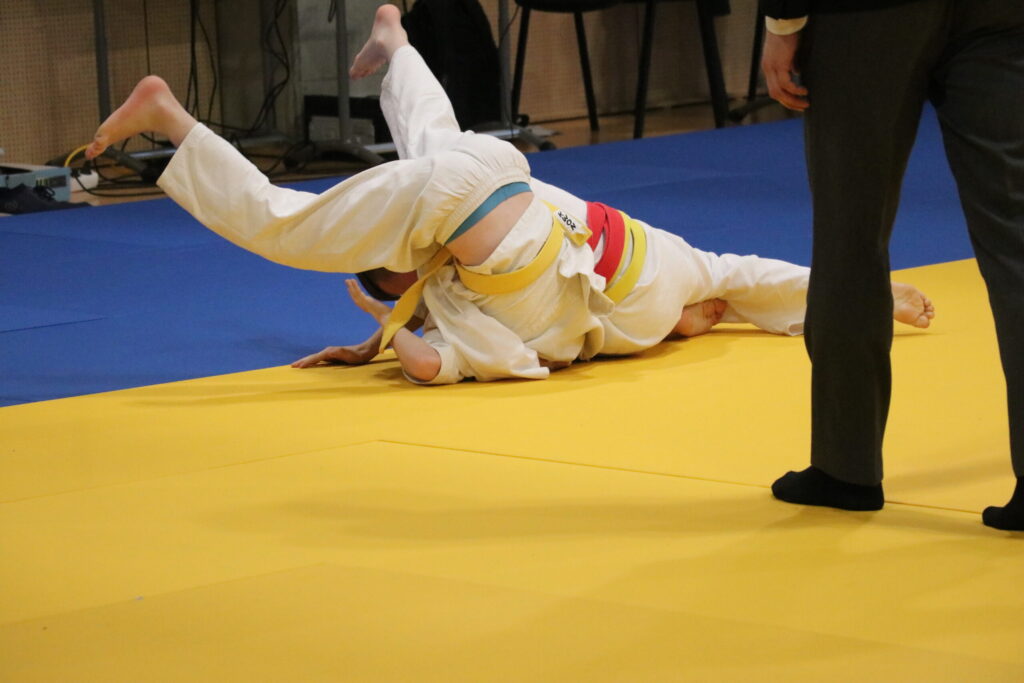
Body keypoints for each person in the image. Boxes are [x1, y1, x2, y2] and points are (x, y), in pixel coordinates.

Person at [759, 0, 1024, 530]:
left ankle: (845, 466)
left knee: (851, 229)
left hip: (870, 16)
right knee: (1016, 231)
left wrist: (783, 22)